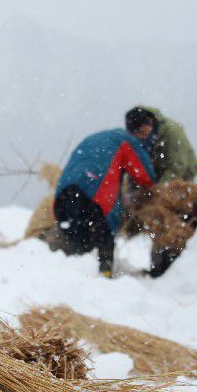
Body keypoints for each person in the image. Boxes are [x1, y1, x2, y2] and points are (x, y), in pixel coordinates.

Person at [54, 108, 156, 276]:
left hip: (63, 193)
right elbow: (146, 176)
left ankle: (72, 277)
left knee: (77, 239)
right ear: (142, 129)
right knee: (107, 226)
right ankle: (105, 272)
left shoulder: (96, 138)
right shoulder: (127, 141)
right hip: (94, 191)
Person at [134, 105, 197, 183]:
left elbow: (177, 165)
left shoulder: (172, 131)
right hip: (161, 178)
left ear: (150, 123)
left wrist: (158, 190)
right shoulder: (143, 138)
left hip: (182, 178)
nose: (140, 137)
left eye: (141, 131)